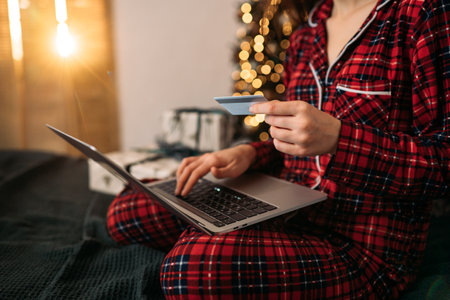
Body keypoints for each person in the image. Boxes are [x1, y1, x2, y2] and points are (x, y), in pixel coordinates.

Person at [107, 0, 450, 298]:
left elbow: (443, 161)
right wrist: (250, 155)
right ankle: (232, 239)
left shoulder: (422, 14)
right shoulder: (306, 33)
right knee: (126, 211)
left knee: (192, 266)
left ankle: (222, 245)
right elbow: (296, 137)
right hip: (284, 208)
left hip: (362, 245)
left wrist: (340, 140)